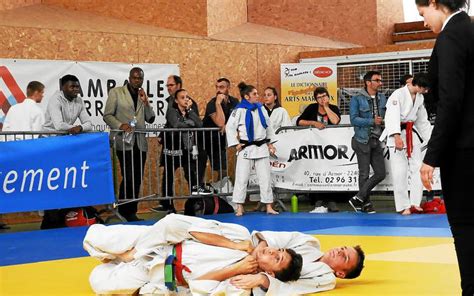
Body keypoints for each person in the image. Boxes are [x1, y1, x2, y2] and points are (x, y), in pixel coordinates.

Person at [83, 214, 364, 295]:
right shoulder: (244, 238)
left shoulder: (324, 277)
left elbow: (201, 286)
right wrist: (246, 249)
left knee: (98, 281)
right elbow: (175, 224)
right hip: (158, 243)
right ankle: (126, 254)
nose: (340, 250)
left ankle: (123, 264)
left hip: (161, 269)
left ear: (341, 272)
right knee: (95, 236)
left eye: (345, 257)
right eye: (344, 247)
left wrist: (258, 279)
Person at [417, 0, 474, 294]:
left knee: (465, 226)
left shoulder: (451, 35)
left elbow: (451, 101)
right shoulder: (471, 29)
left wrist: (432, 156)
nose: (424, 21)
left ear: (434, 3)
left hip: (464, 150)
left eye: (423, 13)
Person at [103, 67, 156, 222]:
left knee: (137, 178)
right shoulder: (117, 92)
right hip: (123, 141)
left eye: (140, 78)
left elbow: (150, 118)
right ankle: (124, 210)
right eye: (134, 78)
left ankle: (131, 211)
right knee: (129, 176)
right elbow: (107, 115)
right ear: (129, 78)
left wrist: (146, 102)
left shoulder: (141, 96)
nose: (137, 81)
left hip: (140, 143)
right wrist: (120, 125)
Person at [41, 75, 92, 229]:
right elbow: (57, 125)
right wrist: (73, 128)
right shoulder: (55, 100)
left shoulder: (79, 101)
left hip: (64, 143)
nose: (76, 90)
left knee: (64, 181)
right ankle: (49, 221)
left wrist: (80, 128)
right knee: (51, 182)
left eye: (77, 87)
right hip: (49, 143)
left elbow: (88, 123)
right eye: (72, 87)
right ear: (63, 87)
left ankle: (63, 217)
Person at [381, 73, 432, 215]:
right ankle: (403, 206)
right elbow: (391, 117)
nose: (426, 92)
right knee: (400, 171)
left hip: (411, 133)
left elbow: (423, 121)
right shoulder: (397, 95)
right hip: (396, 134)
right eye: (425, 89)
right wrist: (396, 136)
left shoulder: (420, 98)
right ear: (418, 85)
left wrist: (431, 140)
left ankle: (415, 203)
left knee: (418, 167)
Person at [226, 82, 279, 216]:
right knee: (241, 179)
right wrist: (235, 144)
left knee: (265, 178)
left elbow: (268, 126)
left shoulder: (261, 109)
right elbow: (230, 127)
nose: (258, 96)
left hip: (261, 147)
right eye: (254, 94)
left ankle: (268, 206)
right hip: (245, 148)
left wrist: (270, 143)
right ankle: (239, 207)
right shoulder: (239, 110)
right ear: (246, 96)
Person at [297, 87, 341, 213]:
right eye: (319, 97)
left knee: (331, 172)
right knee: (316, 171)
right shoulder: (311, 108)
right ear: (315, 99)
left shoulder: (334, 108)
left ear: (328, 96)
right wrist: (314, 123)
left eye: (324, 96)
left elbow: (335, 121)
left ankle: (332, 200)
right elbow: (299, 121)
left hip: (331, 147)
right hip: (315, 147)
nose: (322, 99)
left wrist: (326, 107)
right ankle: (318, 200)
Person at [162, 89, 210, 204]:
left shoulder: (190, 111)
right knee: (169, 176)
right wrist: (190, 124)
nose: (186, 99)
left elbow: (199, 124)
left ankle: (195, 200)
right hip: (173, 149)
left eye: (187, 97)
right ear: (177, 100)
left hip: (186, 149)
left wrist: (189, 110)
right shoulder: (172, 111)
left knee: (191, 172)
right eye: (182, 98)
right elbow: (176, 124)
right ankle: (167, 203)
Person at [348, 71, 387, 214]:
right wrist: (371, 121)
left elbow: (387, 114)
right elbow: (353, 119)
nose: (380, 83)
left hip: (376, 139)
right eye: (377, 80)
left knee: (380, 173)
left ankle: (358, 198)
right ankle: (366, 204)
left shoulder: (382, 97)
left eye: (380, 80)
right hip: (362, 139)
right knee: (363, 173)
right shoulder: (357, 99)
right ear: (368, 82)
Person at [202, 77, 240, 180]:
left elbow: (238, 119)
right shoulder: (212, 103)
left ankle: (220, 194)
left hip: (220, 140)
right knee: (200, 170)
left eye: (222, 87)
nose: (219, 90)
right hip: (206, 140)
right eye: (217, 87)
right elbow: (220, 122)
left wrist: (227, 127)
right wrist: (218, 103)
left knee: (222, 169)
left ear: (228, 88)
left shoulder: (234, 101)